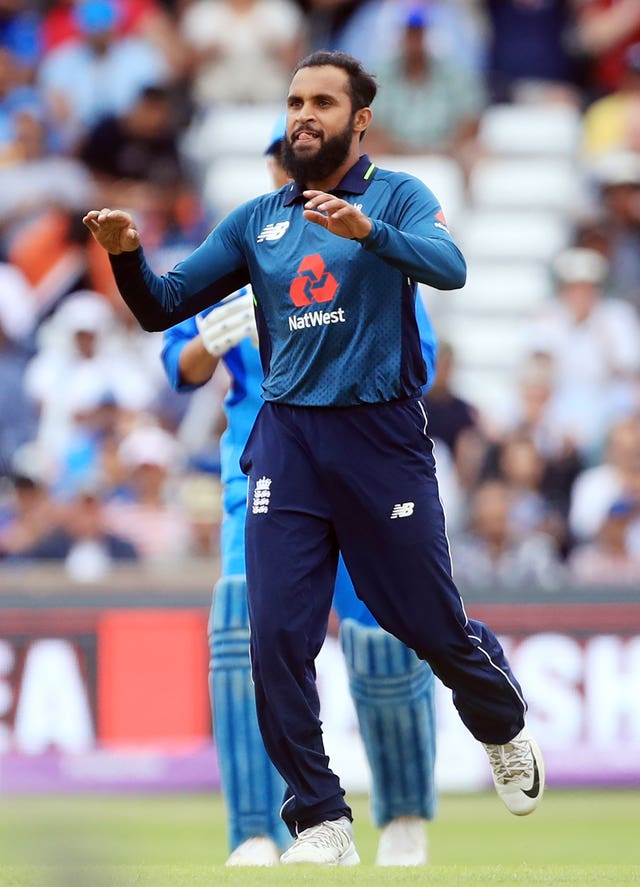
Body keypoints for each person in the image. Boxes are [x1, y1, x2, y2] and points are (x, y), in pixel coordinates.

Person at [84, 50, 545, 867]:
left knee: (426, 624)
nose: (304, 113)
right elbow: (162, 310)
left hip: (380, 440)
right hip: (289, 442)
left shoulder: (399, 195)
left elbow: (454, 268)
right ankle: (322, 817)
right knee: (275, 639)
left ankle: (502, 724)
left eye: (322, 102)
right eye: (295, 100)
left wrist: (369, 230)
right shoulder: (256, 220)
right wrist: (126, 255)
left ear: (358, 118)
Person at [160, 119, 438, 866]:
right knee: (243, 629)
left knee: (385, 638)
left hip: (360, 466)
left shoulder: (362, 252)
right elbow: (178, 367)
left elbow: (421, 359)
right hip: (259, 470)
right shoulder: (240, 249)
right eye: (283, 167)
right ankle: (256, 827)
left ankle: (405, 814)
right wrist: (210, 341)